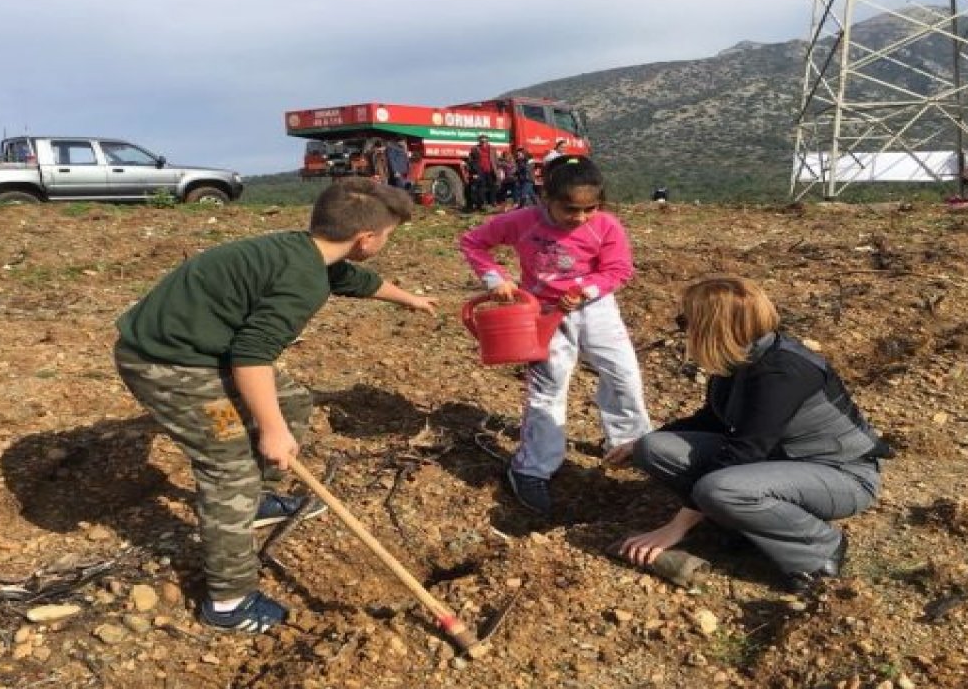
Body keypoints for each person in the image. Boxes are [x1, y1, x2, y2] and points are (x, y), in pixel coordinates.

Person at [113, 178, 438, 633]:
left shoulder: (309, 251)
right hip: (168, 363)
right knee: (228, 466)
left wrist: (408, 299)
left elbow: (352, 279)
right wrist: (270, 430)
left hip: (203, 349)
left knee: (292, 402)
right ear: (366, 239)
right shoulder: (301, 279)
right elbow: (252, 357)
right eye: (388, 235)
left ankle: (259, 500)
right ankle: (228, 601)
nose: (386, 243)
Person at [608, 277, 891, 593]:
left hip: (842, 475)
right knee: (655, 448)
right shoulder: (743, 357)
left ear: (714, 326)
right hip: (781, 460)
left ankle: (819, 548)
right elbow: (713, 420)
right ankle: (743, 525)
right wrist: (639, 443)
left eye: (685, 320)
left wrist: (676, 527)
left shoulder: (782, 372)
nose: (683, 328)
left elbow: (745, 451)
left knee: (718, 488)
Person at [459, 156, 652, 516]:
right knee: (548, 387)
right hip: (543, 312)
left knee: (623, 374)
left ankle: (630, 445)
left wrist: (586, 289)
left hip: (596, 310)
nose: (580, 217)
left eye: (589, 209)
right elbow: (473, 242)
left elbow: (618, 269)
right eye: (570, 209)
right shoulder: (521, 221)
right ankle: (533, 468)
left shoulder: (606, 226)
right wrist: (495, 279)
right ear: (545, 197)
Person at [466, 135, 498, 213]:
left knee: (492, 186)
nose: (483, 142)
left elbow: (495, 159)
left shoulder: (492, 148)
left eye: (485, 141)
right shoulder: (474, 149)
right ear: (479, 141)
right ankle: (483, 203)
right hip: (480, 171)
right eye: (482, 141)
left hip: (490, 170)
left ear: (487, 141)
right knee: (481, 187)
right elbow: (470, 161)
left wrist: (498, 169)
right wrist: (473, 172)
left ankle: (493, 202)